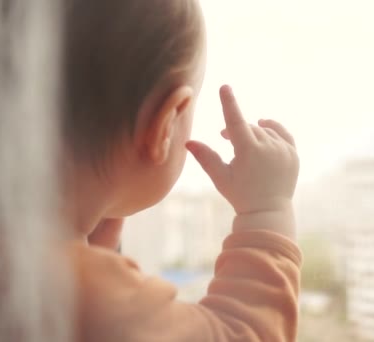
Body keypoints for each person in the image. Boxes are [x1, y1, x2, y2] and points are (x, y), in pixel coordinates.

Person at [60, 0, 301, 341]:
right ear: (164, 124)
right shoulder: (84, 294)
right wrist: (267, 210)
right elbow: (244, 333)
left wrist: (92, 256)